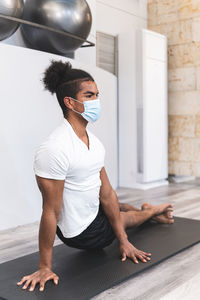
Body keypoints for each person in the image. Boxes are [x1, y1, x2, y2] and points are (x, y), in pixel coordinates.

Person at [17, 60, 174, 292]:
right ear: (70, 102)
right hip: (82, 232)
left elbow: (107, 193)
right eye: (89, 95)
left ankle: (148, 213)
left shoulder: (95, 143)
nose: (96, 101)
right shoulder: (55, 148)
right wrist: (44, 266)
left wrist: (123, 240)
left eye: (97, 95)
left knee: (118, 204)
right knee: (124, 218)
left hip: (92, 209)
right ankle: (152, 212)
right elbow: (51, 210)